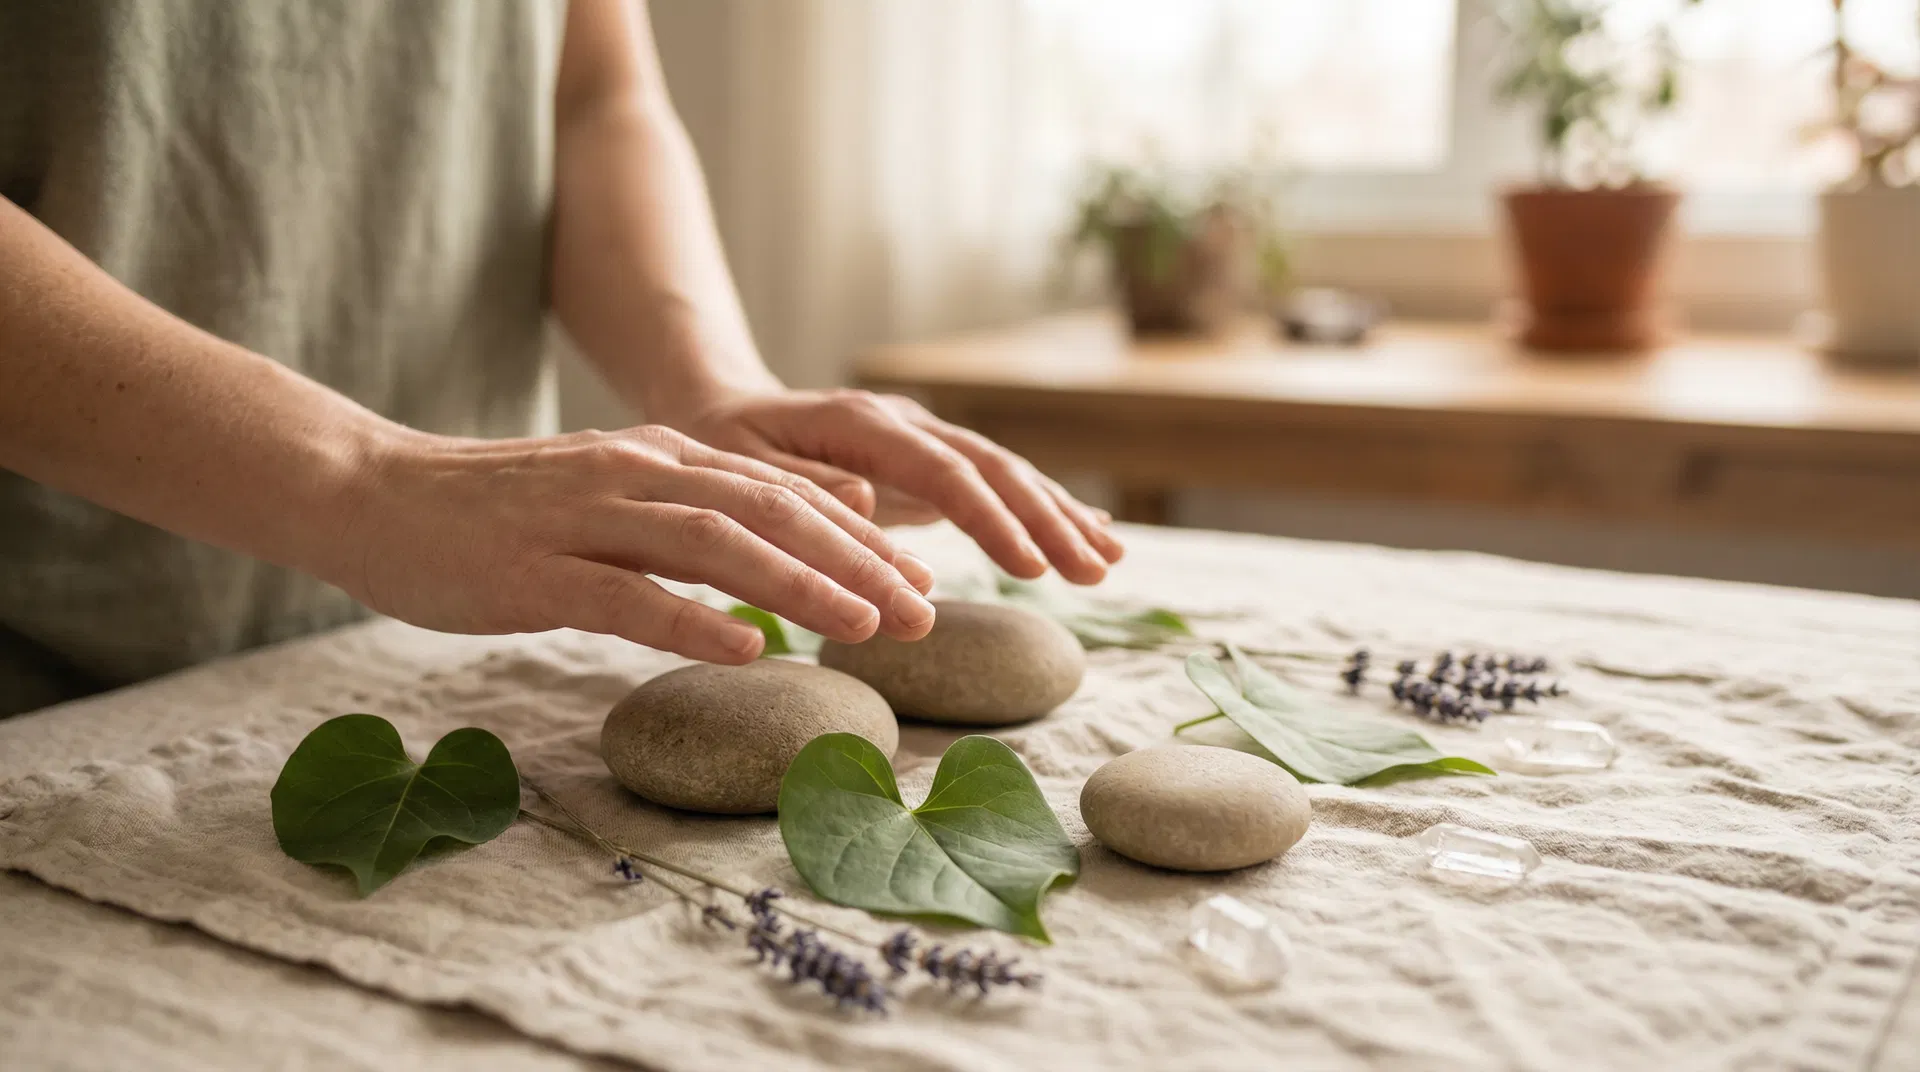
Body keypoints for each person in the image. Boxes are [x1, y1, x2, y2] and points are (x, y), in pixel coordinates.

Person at [0, 0, 1124, 717]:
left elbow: (590, 91)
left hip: (430, 650)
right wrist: (365, 481)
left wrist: (709, 383)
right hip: (55, 665)